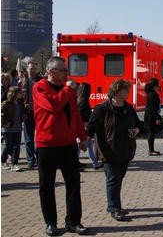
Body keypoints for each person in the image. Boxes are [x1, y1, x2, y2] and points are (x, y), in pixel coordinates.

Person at [32, 56, 89, 236]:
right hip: (47, 145)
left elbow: (75, 114)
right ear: (51, 72)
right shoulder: (39, 87)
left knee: (73, 184)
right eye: (63, 70)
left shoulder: (67, 90)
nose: (67, 73)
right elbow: (52, 105)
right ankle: (51, 222)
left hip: (68, 144)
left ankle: (73, 221)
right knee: (46, 186)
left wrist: (82, 136)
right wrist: (67, 89)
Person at [86, 79, 141, 222]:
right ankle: (114, 208)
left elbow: (138, 124)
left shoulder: (128, 108)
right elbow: (91, 128)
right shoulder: (102, 109)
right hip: (108, 150)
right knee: (113, 179)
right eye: (126, 90)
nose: (128, 92)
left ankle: (115, 204)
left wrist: (136, 130)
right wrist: (84, 140)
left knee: (119, 177)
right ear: (117, 91)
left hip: (125, 149)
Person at [19, 61, 42, 169]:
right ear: (27, 69)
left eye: (34, 68)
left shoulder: (41, 81)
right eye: (30, 68)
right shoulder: (22, 82)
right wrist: (23, 112)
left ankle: (39, 158)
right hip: (28, 113)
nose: (32, 70)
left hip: (40, 113)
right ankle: (30, 160)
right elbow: (20, 100)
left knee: (40, 137)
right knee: (28, 138)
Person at [77, 82, 101, 169]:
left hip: (83, 125)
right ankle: (94, 163)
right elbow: (83, 114)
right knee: (82, 145)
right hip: (85, 126)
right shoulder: (84, 102)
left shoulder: (79, 99)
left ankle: (95, 163)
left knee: (88, 145)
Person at [1, 86, 25, 171]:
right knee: (8, 146)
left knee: (17, 147)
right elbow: (1, 115)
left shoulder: (20, 103)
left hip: (17, 128)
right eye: (19, 92)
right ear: (15, 93)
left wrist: (24, 116)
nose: (21, 94)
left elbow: (21, 114)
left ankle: (15, 164)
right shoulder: (6, 103)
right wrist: (4, 123)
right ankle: (3, 161)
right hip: (8, 128)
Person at [144, 78, 162, 156]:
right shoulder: (152, 95)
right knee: (151, 133)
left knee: (152, 132)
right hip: (151, 116)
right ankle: (151, 150)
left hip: (150, 115)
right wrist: (157, 117)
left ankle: (152, 149)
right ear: (155, 86)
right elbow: (152, 108)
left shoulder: (151, 93)